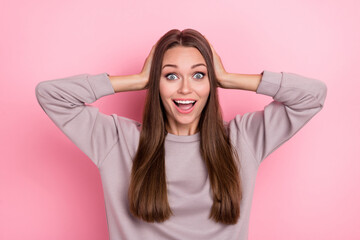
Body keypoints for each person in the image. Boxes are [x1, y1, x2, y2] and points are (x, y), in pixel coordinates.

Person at [35, 28, 327, 240]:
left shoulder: (244, 139)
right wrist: (136, 80)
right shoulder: (117, 141)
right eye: (170, 75)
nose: (185, 89)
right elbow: (50, 95)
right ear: (156, 83)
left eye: (199, 75)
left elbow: (312, 96)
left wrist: (226, 77)